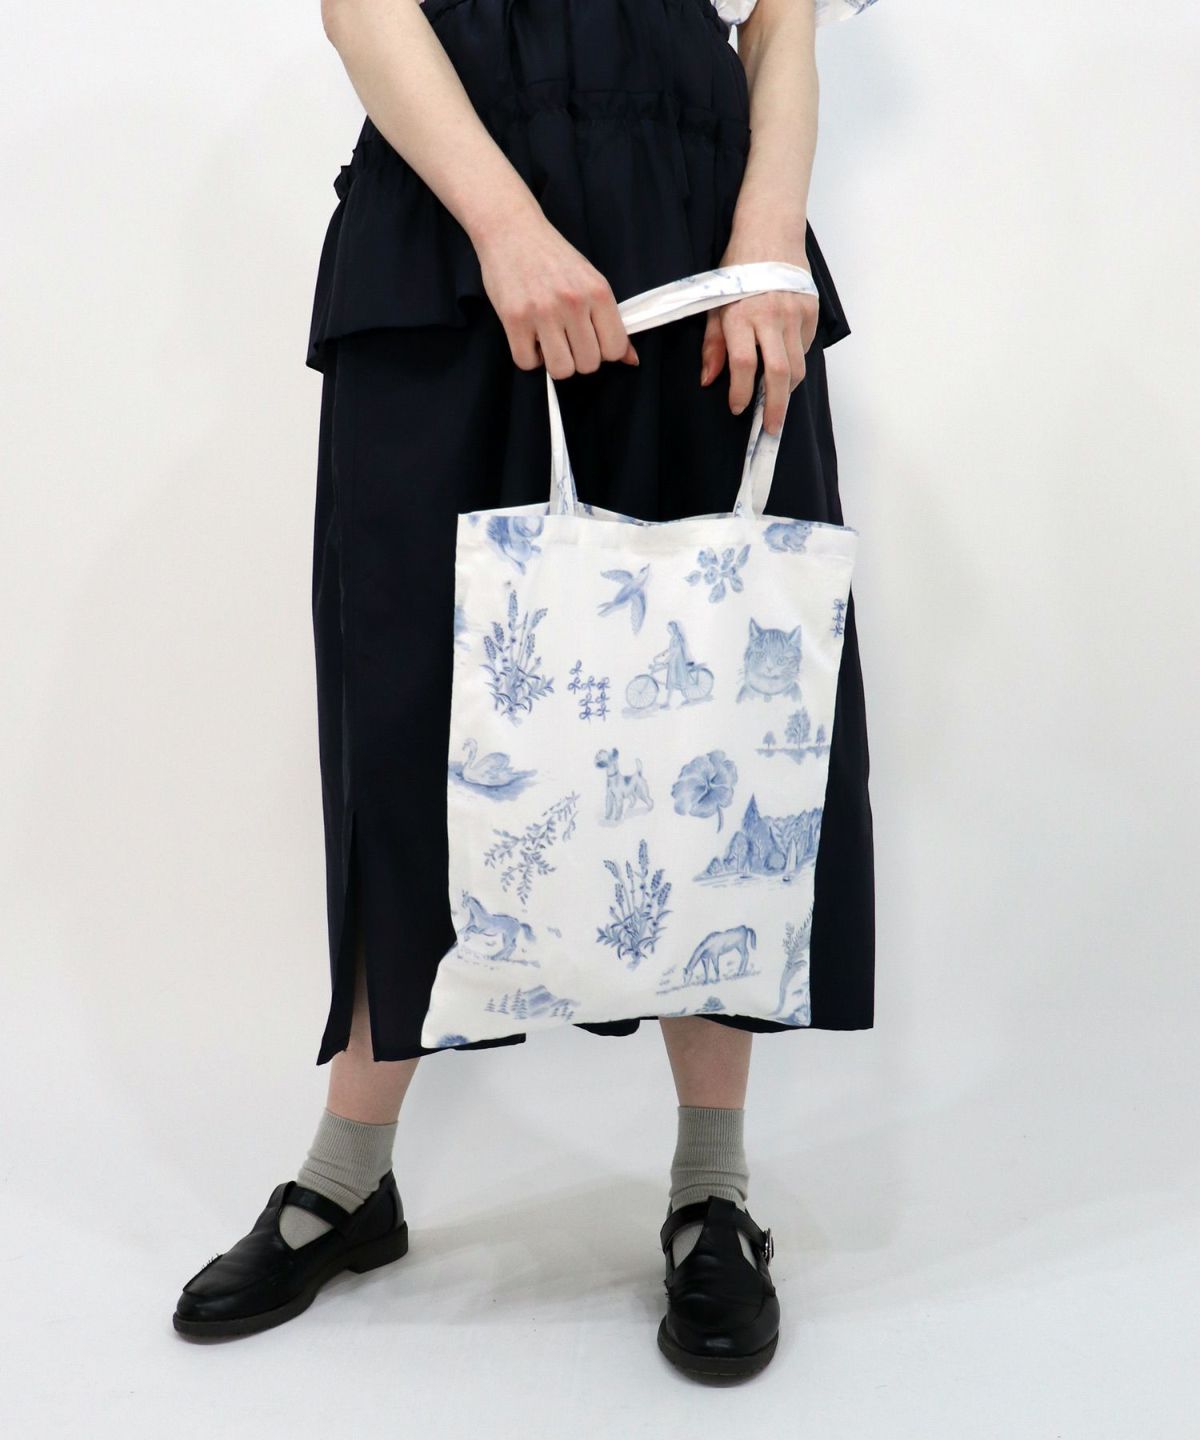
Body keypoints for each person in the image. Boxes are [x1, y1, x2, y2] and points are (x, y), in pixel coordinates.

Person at [173, 0, 879, 1381]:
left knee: (708, 702)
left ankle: (712, 1189)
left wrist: (769, 237)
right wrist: (505, 226)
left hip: (694, 203)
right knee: (407, 699)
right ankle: (349, 1176)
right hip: (445, 206)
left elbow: (782, 22)